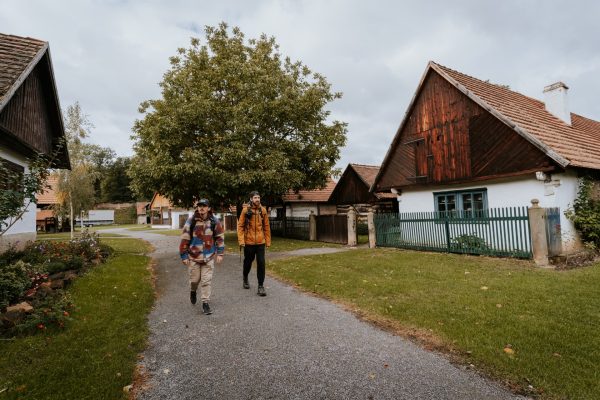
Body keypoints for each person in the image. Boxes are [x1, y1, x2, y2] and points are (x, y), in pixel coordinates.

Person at [179, 198, 225, 315]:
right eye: (199, 206)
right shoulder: (191, 221)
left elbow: (220, 237)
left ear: (208, 208)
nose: (201, 208)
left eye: (204, 206)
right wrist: (184, 255)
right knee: (194, 280)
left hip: (208, 257)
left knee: (206, 281)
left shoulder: (214, 221)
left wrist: (220, 253)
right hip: (194, 257)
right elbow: (185, 238)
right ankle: (193, 291)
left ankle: (205, 303)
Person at [237, 191, 271, 296]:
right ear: (251, 199)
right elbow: (240, 227)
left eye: (258, 197)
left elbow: (266, 227)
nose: (257, 199)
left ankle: (260, 286)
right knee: (248, 262)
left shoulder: (263, 210)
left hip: (260, 242)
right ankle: (245, 277)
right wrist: (241, 241)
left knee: (261, 263)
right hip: (249, 242)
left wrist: (268, 241)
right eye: (255, 197)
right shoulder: (245, 210)